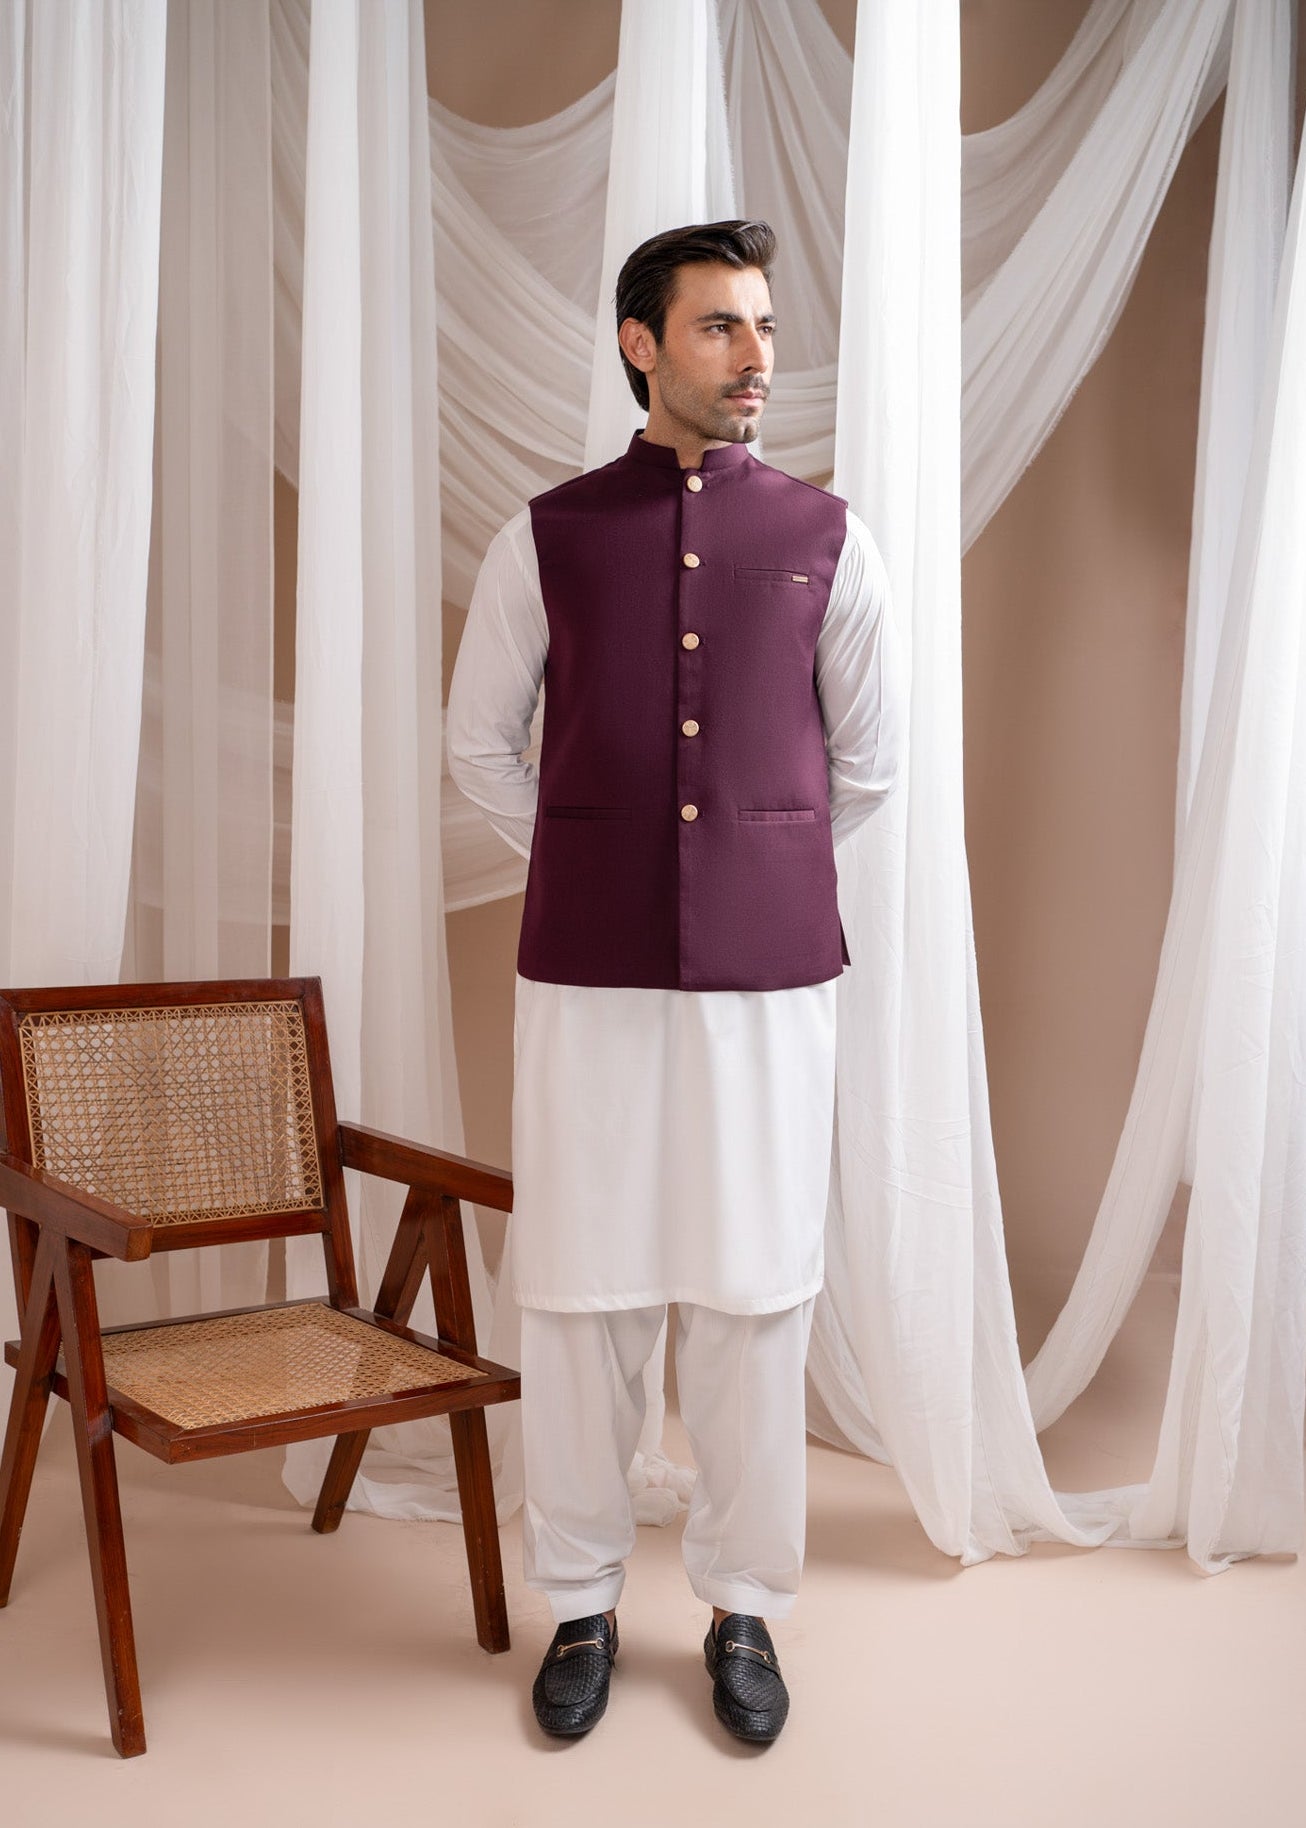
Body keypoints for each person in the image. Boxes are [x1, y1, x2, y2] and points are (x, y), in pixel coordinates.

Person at [446, 219, 903, 1744]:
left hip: (769, 986)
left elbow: (869, 764)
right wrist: (599, 857)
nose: (757, 356)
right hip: (588, 977)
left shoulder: (830, 538)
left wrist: (740, 868)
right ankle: (579, 1600)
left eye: (764, 326)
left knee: (755, 1294)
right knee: (579, 1292)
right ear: (641, 344)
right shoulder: (548, 536)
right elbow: (478, 744)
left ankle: (742, 1607)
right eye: (720, 326)